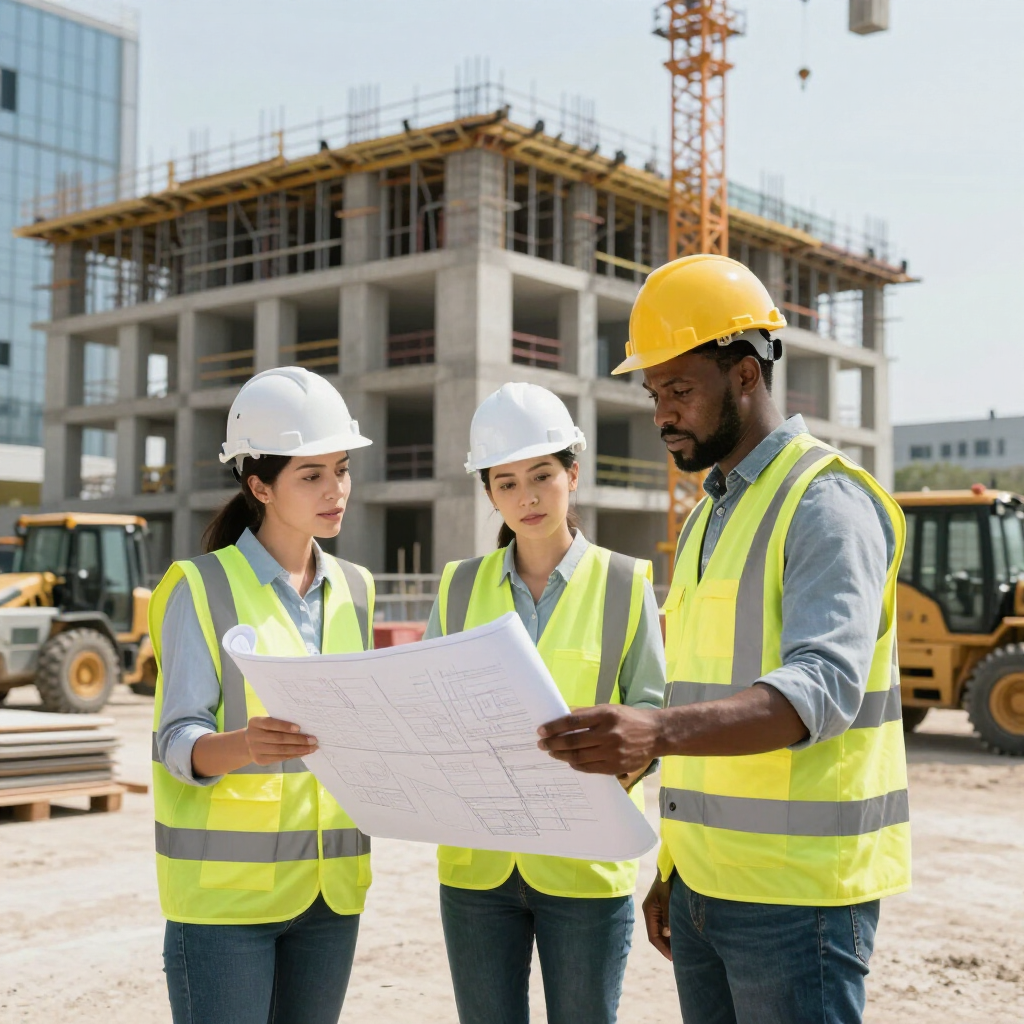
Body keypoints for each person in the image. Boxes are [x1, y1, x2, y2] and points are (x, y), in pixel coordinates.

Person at [537, 255, 910, 1024]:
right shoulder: (712, 512)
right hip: (709, 889)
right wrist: (676, 868)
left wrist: (654, 733)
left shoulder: (824, 502)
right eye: (653, 394)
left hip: (797, 899)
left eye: (680, 390)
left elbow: (820, 690)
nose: (662, 414)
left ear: (744, 374)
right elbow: (702, 689)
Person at [422, 381, 667, 1024]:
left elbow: (651, 713)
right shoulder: (457, 589)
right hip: (478, 869)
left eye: (541, 475)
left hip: (585, 868)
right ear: (488, 493)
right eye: (505, 483)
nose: (526, 497)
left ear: (572, 474)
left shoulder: (624, 583)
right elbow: (424, 704)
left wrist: (616, 764)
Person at [150, 366, 376, 1024]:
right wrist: (245, 744)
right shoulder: (199, 587)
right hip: (225, 907)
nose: (336, 490)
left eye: (341, 468)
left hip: (330, 896)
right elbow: (176, 742)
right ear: (259, 485)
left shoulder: (356, 589)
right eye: (311, 475)